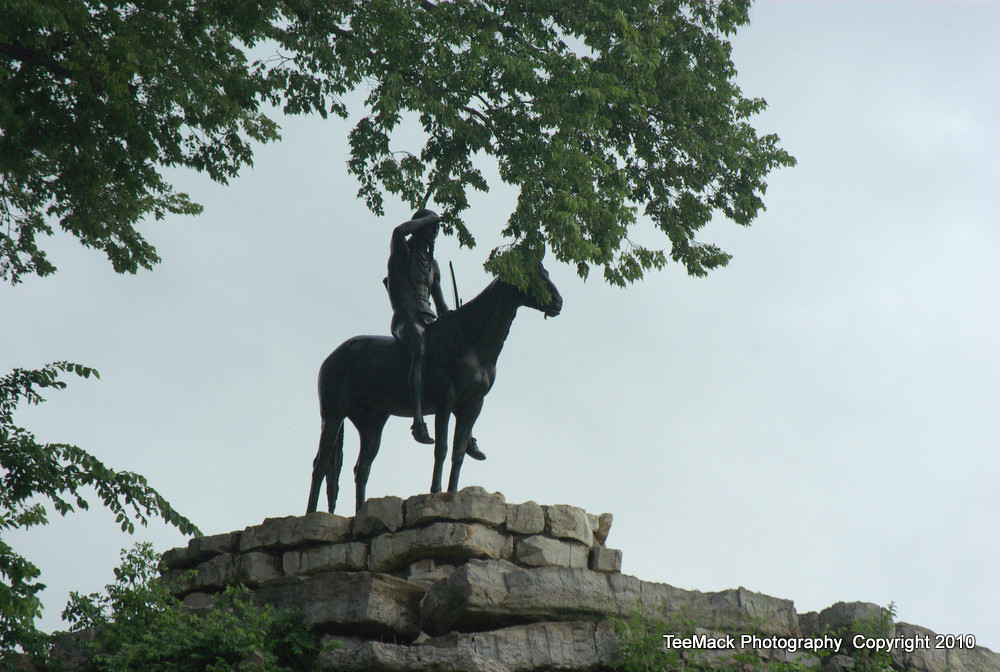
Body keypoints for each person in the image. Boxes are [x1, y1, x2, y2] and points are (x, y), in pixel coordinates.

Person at [385, 209, 485, 459]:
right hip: (406, 318)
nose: (436, 231)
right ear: (420, 227)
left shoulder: (433, 266)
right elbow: (398, 231)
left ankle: (467, 434)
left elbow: (440, 305)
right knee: (419, 350)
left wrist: (456, 321)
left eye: (437, 227)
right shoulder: (402, 252)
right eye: (431, 226)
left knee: (459, 361)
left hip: (429, 320)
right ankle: (418, 421)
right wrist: (428, 218)